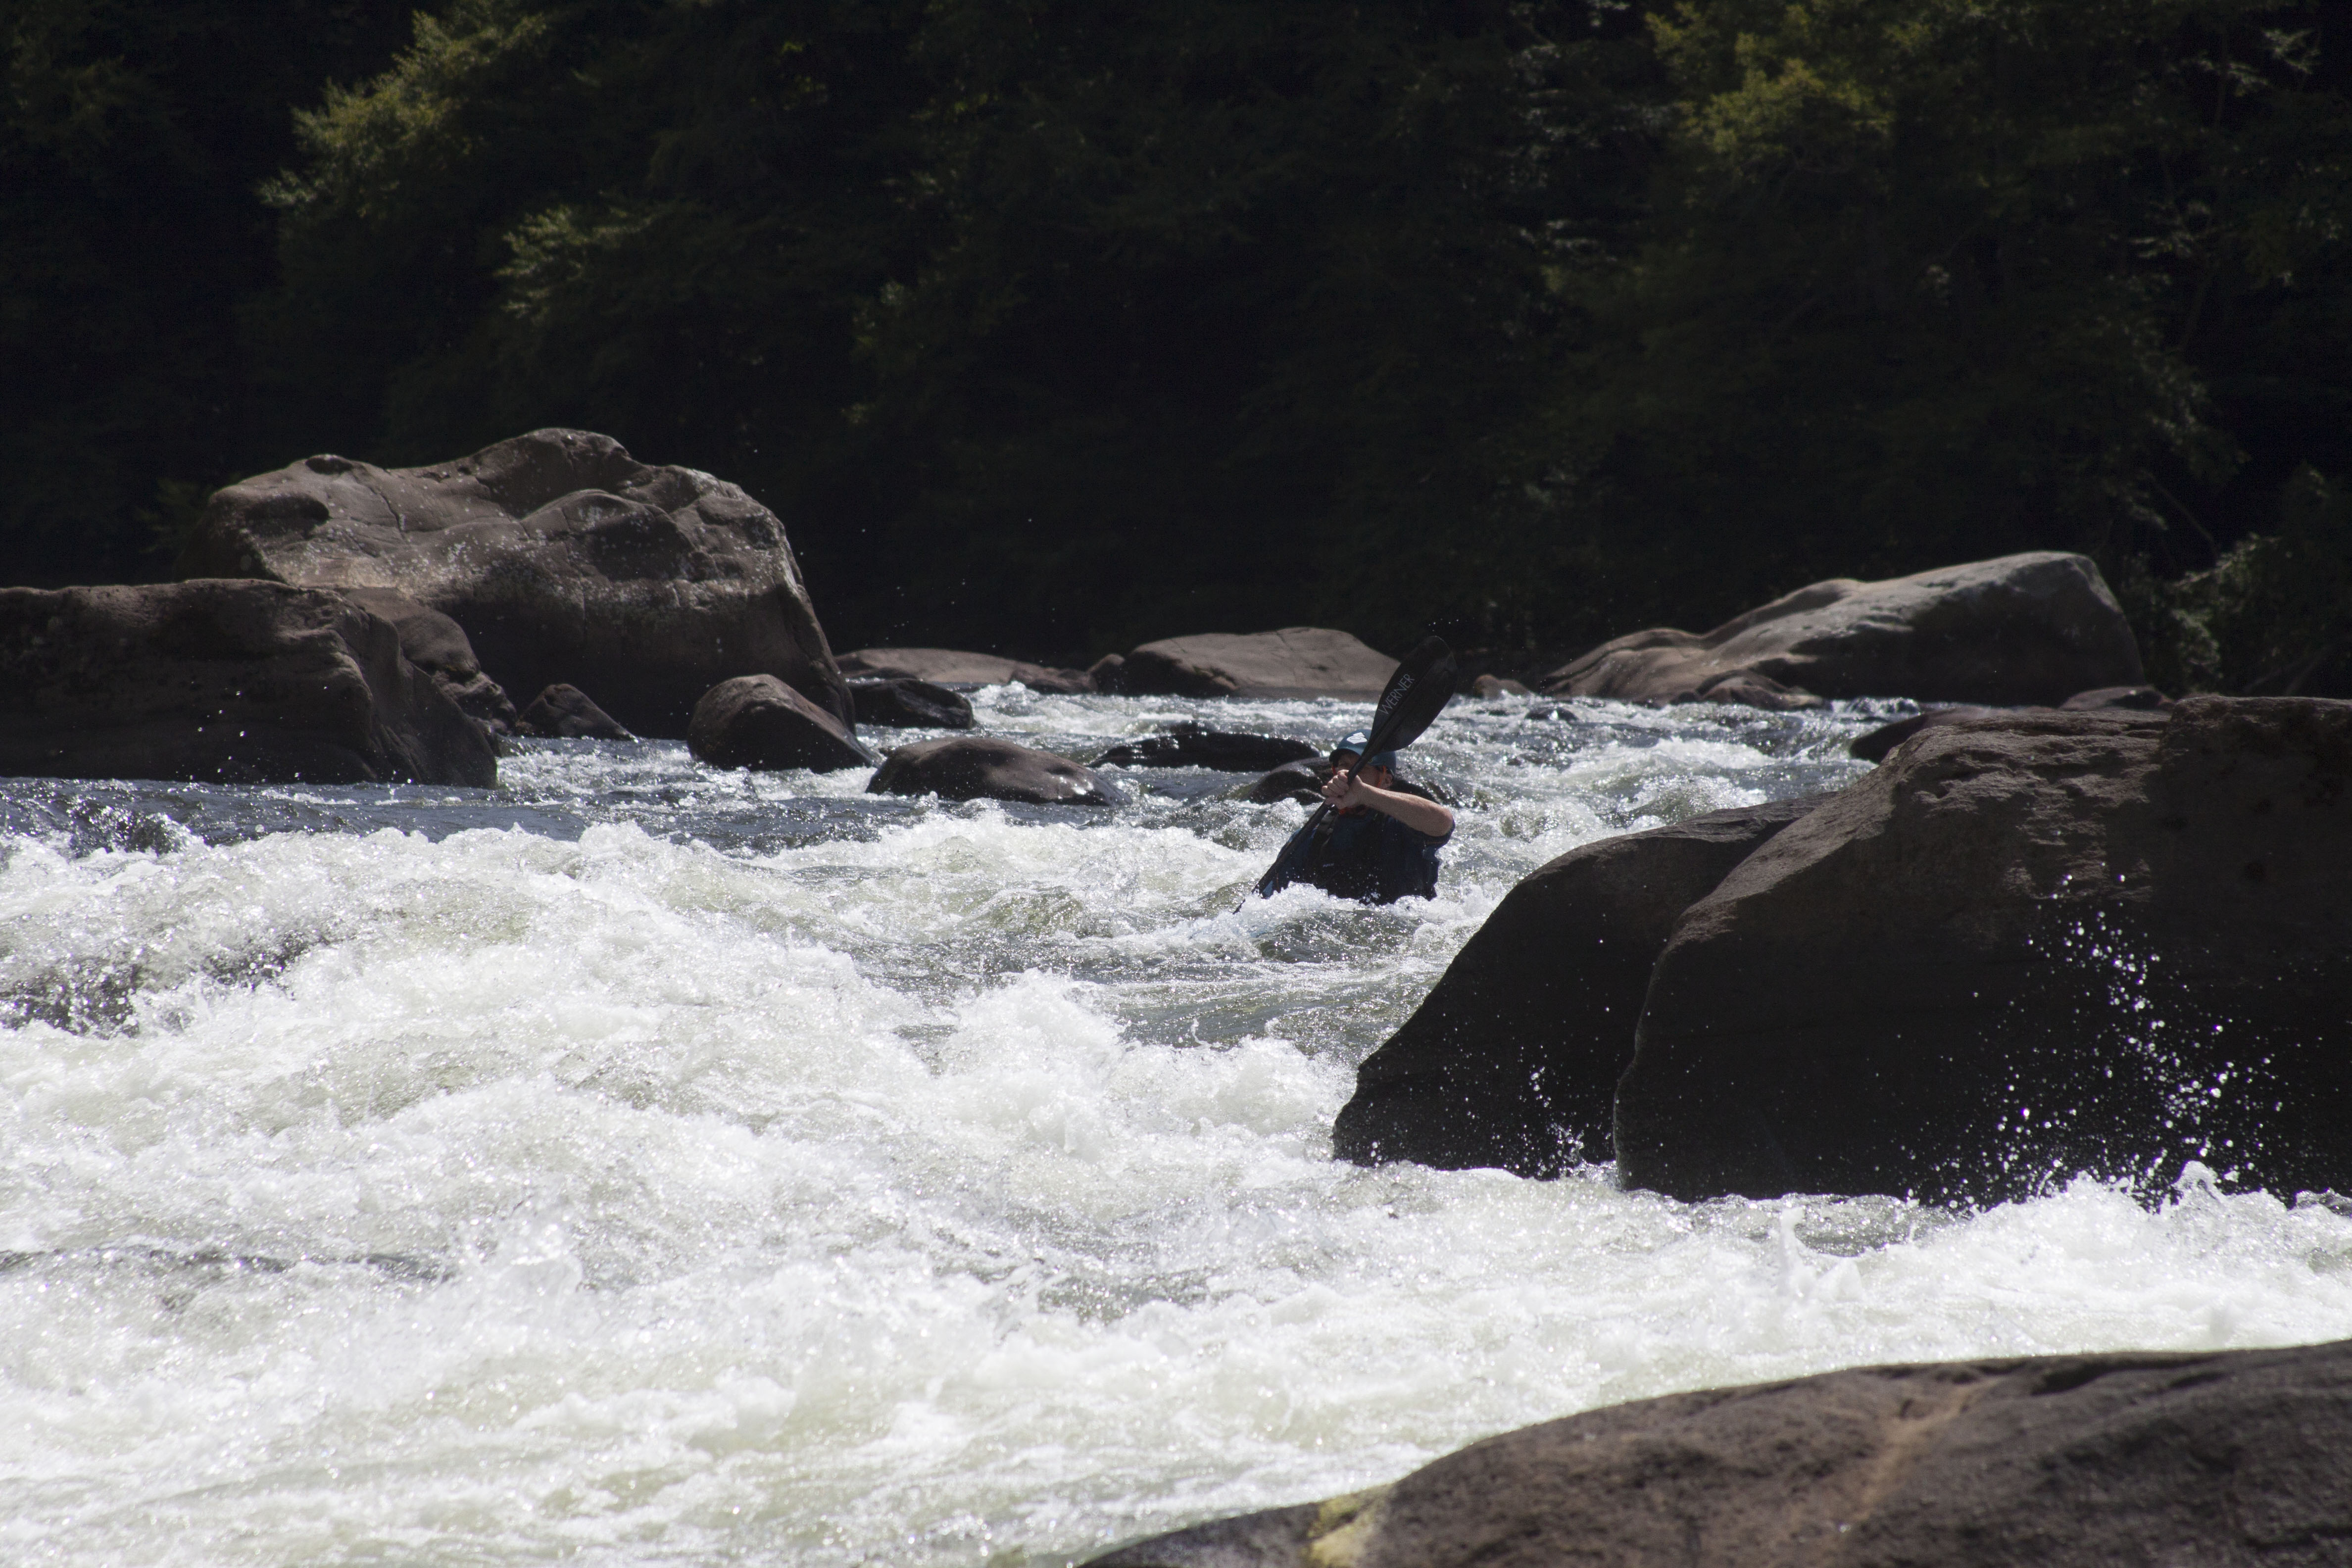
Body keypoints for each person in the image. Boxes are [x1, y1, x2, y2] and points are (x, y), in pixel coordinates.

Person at [1260, 731, 1455, 904]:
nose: (1348, 775)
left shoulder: (1406, 823)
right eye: (1343, 766)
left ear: (1386, 780)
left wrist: (1364, 794)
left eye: (1361, 768)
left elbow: (1443, 822)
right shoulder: (1310, 837)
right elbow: (1267, 902)